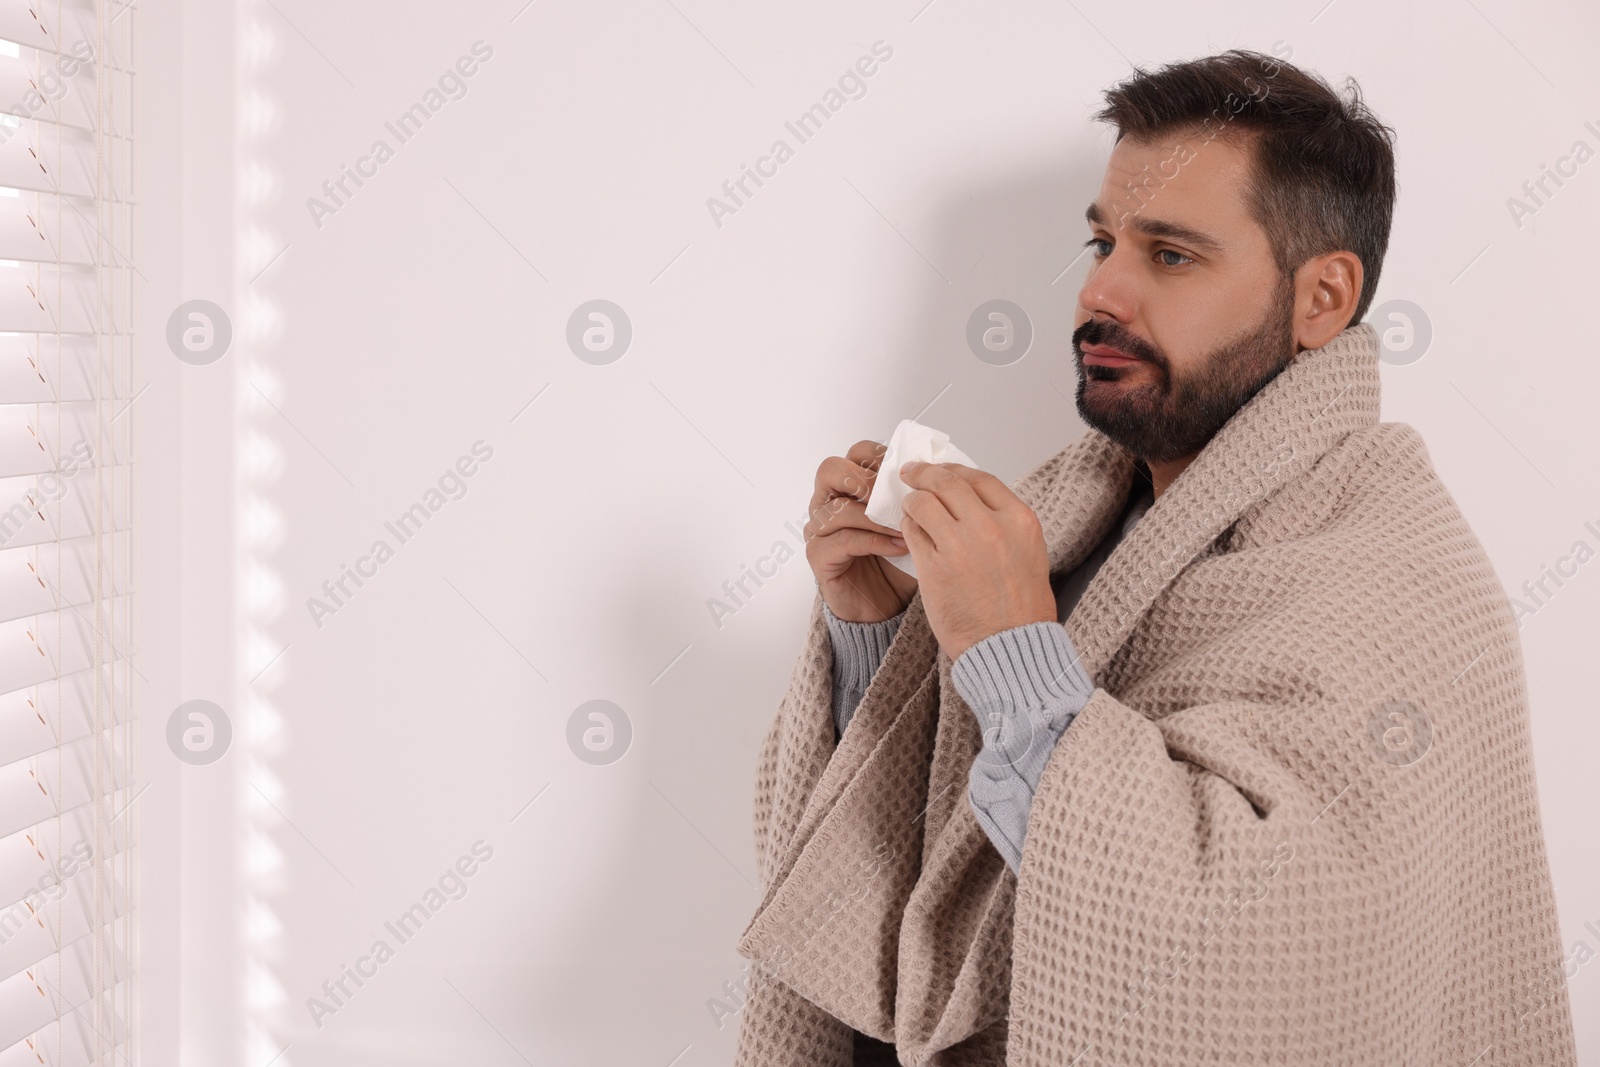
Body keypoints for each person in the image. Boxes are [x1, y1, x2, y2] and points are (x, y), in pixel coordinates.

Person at [732, 49, 1577, 1067]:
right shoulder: (1064, 511)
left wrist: (1009, 647)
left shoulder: (1400, 580)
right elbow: (949, 867)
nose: (1100, 290)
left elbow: (1244, 953)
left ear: (1322, 298)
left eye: (1170, 255)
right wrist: (878, 642)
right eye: (1101, 241)